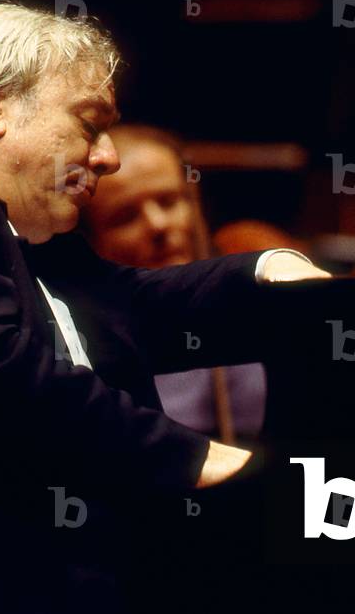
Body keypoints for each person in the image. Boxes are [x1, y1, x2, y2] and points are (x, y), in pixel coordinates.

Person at [0, 2, 328, 614]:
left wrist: (264, 269)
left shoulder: (28, 238)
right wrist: (202, 458)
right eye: (89, 124)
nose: (106, 157)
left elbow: (135, 305)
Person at [78, 124, 271, 442]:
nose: (158, 225)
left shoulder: (256, 273)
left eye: (169, 201)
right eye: (125, 216)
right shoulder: (84, 343)